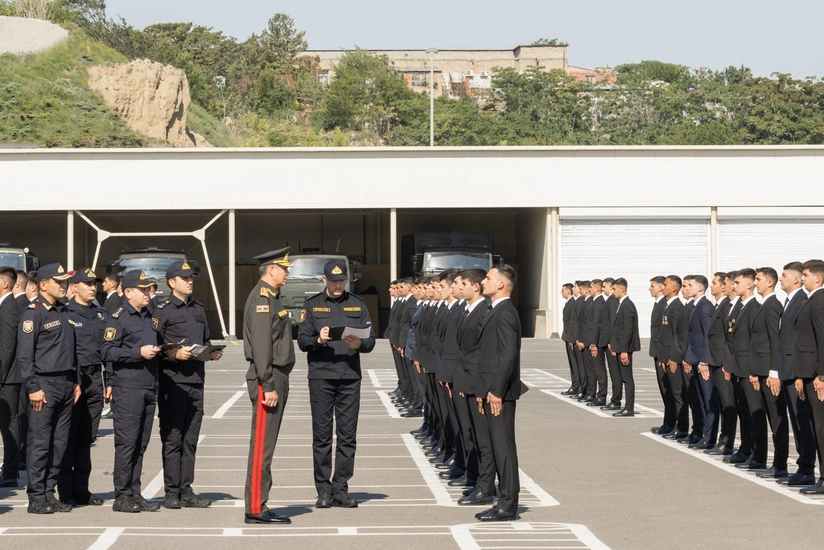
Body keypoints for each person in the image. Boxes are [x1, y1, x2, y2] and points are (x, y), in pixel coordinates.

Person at [297, 259, 375, 509]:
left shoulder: (358, 304)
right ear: (324, 280)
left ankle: (341, 488)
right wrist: (318, 340)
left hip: (349, 377)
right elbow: (302, 340)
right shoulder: (312, 305)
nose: (338, 285)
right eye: (333, 281)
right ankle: (323, 489)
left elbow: (371, 340)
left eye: (341, 280)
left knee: (347, 436)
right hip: (321, 376)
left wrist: (360, 345)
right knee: (321, 437)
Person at [154, 260, 222, 510]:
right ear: (172, 283)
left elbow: (204, 341)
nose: (190, 281)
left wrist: (211, 353)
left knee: (190, 440)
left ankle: (186, 489)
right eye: (184, 278)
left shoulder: (198, 309)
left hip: (196, 381)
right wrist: (173, 355)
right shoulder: (162, 310)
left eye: (191, 277)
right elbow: (155, 348)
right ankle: (171, 491)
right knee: (173, 438)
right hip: (173, 383)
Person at [16, 263, 80, 514]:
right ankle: (36, 496)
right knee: (41, 443)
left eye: (65, 282)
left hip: (65, 384)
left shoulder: (64, 312)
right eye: (59, 282)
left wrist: (75, 381)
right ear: (43, 284)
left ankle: (49, 492)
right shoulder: (34, 313)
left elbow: (71, 352)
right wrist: (33, 387)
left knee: (59, 443)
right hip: (44, 384)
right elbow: (24, 356)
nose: (64, 286)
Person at [102, 270, 163, 513]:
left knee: (140, 443)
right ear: (128, 292)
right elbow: (107, 352)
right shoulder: (118, 318)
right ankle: (122, 495)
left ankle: (135, 492)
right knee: (126, 443)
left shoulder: (149, 316)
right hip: (128, 388)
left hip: (149, 386)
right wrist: (137, 353)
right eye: (143, 289)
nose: (148, 293)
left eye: (149, 289)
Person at [243, 247, 295, 524]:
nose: (288, 273)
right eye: (284, 268)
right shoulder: (263, 298)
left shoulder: (273, 297)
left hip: (274, 375)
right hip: (269, 377)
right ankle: (255, 507)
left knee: (266, 446)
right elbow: (262, 346)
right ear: (271, 270)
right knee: (262, 446)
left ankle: (259, 502)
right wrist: (269, 383)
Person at [474, 265, 524, 522]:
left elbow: (507, 356)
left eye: (489, 278)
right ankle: (503, 501)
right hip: (491, 389)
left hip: (500, 393)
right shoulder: (496, 310)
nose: (484, 281)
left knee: (504, 449)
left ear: (501, 284)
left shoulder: (505, 313)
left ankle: (507, 505)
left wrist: (495, 390)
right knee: (497, 447)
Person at [58, 268, 107, 507]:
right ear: (74, 287)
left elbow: (108, 350)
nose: (92, 287)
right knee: (67, 438)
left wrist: (110, 383)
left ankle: (82, 490)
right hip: (73, 381)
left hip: (95, 380)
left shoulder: (101, 315)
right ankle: (65, 491)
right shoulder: (65, 314)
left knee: (87, 439)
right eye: (87, 283)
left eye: (94, 283)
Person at [776, 262, 816, 486]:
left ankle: (807, 468)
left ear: (796, 278)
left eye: (783, 276)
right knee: (798, 420)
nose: (781, 279)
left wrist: (800, 373)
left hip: (796, 370)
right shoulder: (790, 301)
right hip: (789, 370)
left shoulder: (802, 300)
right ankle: (804, 466)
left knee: (803, 421)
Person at [455, 268, 492, 507]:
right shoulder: (467, 310)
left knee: (484, 440)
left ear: (475, 286)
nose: (459, 287)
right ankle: (478, 480)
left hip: (478, 383)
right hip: (466, 381)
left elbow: (482, 354)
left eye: (463, 283)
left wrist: (480, 388)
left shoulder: (483, 311)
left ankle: (486, 487)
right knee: (473, 436)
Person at [748, 267, 787, 477]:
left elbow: (775, 341)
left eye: (758, 279)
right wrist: (754, 371)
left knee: (776, 419)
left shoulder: (773, 305)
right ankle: (769, 461)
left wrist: (774, 372)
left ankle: (780, 464)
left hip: (770, 373)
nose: (755, 283)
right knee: (764, 417)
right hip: (760, 370)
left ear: (769, 283)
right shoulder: (762, 305)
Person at [724, 268, 760, 467]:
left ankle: (755, 452)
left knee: (752, 413)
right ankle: (746, 449)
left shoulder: (754, 306)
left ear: (749, 284)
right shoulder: (739, 305)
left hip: (748, 367)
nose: (733, 286)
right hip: (738, 367)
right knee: (743, 412)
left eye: (737, 283)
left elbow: (755, 342)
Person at [794, 260, 824, 494]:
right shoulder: (810, 300)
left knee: (821, 427)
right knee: (816, 426)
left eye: (805, 275)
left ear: (818, 278)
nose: (802, 278)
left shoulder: (819, 300)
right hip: (808, 373)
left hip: (817, 375)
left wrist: (821, 374)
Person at [703, 272, 736, 456]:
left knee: (727, 404)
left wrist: (726, 363)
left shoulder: (726, 307)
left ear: (724, 286)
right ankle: (724, 440)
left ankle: (727, 442)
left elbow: (727, 338)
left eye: (715, 282)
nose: (712, 286)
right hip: (715, 360)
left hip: (722, 362)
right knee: (723, 403)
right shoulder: (720, 306)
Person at [683, 275, 716, 449]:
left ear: (700, 288)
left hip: (703, 362)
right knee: (701, 400)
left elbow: (707, 336)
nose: (686, 288)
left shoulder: (705, 307)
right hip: (695, 360)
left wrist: (704, 361)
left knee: (709, 400)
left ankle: (710, 437)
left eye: (689, 285)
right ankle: (704, 433)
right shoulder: (695, 306)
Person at [0, 266, 23, 488]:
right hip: (7, 374)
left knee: (9, 421)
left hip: (8, 376)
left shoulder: (9, 308)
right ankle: (9, 468)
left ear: (5, 283)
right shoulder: (6, 305)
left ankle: (10, 472)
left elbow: (7, 347)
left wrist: (0, 376)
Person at [608, 278, 641, 417]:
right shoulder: (621, 304)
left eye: (614, 289)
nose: (613, 291)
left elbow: (627, 330)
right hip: (618, 347)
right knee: (621, 376)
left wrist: (624, 350)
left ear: (622, 289)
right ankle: (624, 406)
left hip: (624, 349)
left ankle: (629, 407)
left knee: (627, 378)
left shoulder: (627, 305)